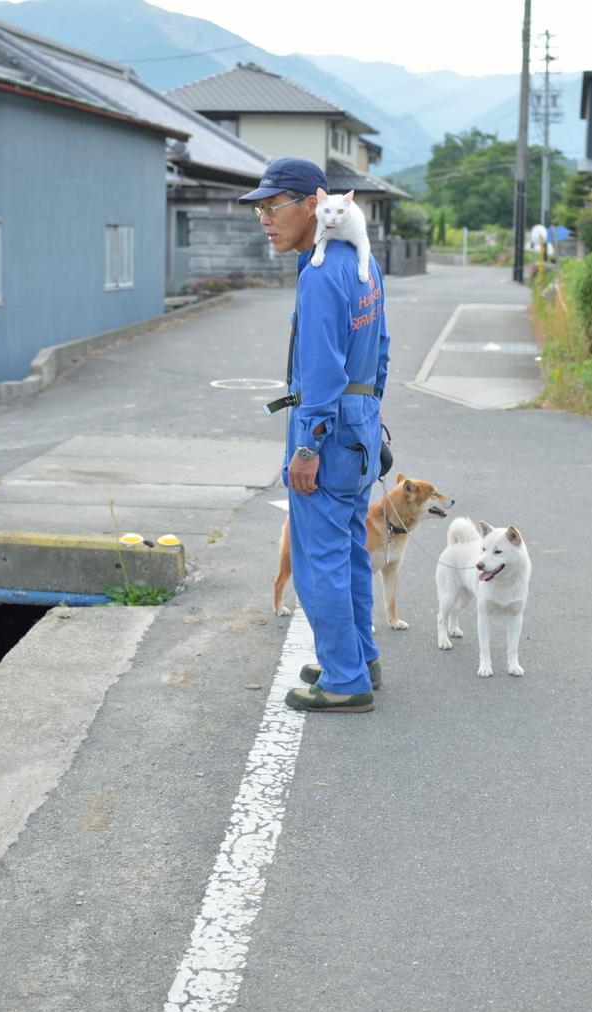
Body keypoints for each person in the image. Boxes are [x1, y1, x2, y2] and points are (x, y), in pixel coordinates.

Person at [238, 157, 390, 713]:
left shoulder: (321, 275)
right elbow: (381, 349)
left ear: (314, 204)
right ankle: (360, 658)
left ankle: (345, 681)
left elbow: (322, 374)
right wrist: (371, 419)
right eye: (260, 208)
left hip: (325, 436)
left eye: (273, 206)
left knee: (317, 559)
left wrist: (306, 448)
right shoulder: (362, 264)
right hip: (359, 429)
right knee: (349, 550)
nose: (264, 219)